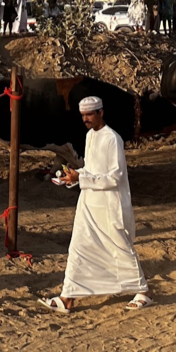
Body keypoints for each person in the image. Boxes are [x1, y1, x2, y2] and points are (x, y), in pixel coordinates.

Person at [41, 95, 150, 312]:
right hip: (89, 204)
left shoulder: (112, 139)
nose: (86, 119)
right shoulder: (90, 136)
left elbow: (115, 177)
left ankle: (143, 292)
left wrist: (80, 179)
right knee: (79, 247)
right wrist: (73, 176)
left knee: (120, 247)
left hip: (109, 205)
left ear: (101, 113)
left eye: (89, 114)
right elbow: (91, 170)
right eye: (83, 116)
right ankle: (67, 297)